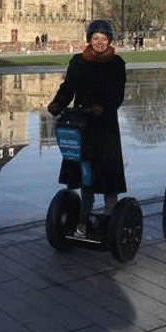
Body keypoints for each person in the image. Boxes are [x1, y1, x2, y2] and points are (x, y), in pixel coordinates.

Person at [47, 20, 127, 238]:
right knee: (83, 170)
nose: (99, 43)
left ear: (109, 40)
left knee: (107, 171)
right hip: (82, 122)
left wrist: (104, 107)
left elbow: (117, 94)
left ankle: (111, 215)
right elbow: (68, 87)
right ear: (89, 40)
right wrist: (57, 103)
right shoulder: (78, 62)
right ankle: (84, 212)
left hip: (104, 124)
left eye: (103, 39)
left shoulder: (117, 63)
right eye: (95, 39)